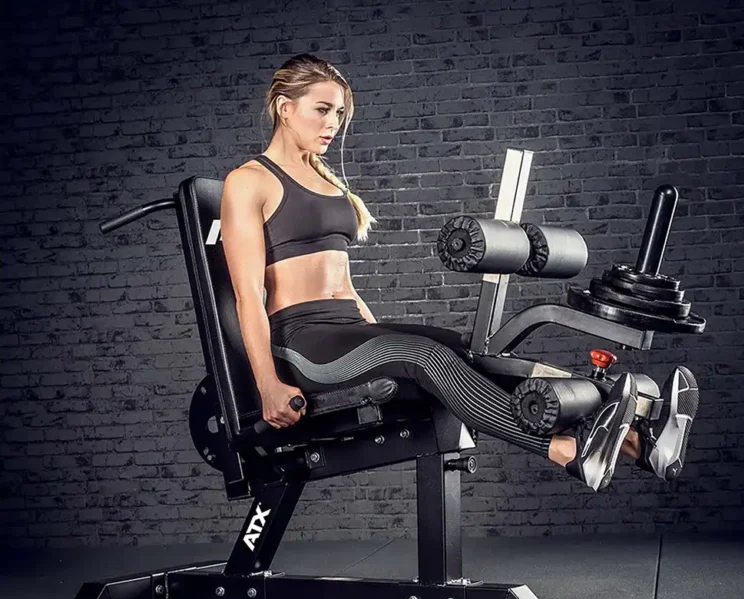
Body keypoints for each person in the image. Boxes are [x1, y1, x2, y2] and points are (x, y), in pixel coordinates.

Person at [219, 53, 699, 492]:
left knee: (470, 354)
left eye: (340, 113)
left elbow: (342, 282)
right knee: (428, 358)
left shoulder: (325, 178)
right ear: (284, 108)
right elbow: (246, 294)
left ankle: (641, 442)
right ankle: (568, 453)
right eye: (322, 110)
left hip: (346, 329)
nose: (334, 124)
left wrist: (375, 336)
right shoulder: (249, 182)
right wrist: (267, 384)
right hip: (302, 345)